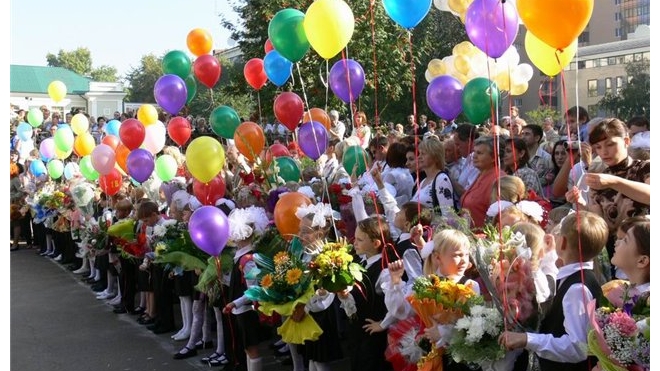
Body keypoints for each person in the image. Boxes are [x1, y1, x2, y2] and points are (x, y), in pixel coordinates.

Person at [499, 211, 608, 371]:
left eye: (557, 233)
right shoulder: (575, 277)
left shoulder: (577, 288)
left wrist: (527, 339)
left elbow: (577, 348)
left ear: (562, 242)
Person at [566, 118, 650, 276]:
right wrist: (581, 203)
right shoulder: (599, 178)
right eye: (598, 147)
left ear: (626, 141)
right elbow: (600, 224)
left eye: (610, 144)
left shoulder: (645, 167)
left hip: (647, 249)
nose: (604, 152)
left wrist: (615, 182)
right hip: (618, 252)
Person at [337, 215, 394, 371]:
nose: (354, 242)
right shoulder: (362, 263)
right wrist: (343, 295)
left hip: (372, 338)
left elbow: (395, 301)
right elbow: (356, 301)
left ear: (376, 243)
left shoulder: (383, 271)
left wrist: (383, 323)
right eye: (355, 238)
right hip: (358, 333)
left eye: (360, 240)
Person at [460, 136, 505, 229]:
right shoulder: (481, 173)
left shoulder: (498, 179)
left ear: (494, 157)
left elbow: (498, 216)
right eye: (474, 152)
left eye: (479, 153)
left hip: (484, 238)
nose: (474, 156)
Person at [410, 138, 455, 212]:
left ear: (435, 157)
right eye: (419, 153)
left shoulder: (441, 179)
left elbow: (448, 214)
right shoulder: (423, 181)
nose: (419, 157)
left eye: (423, 154)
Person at [610, 216, 649, 289]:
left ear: (642, 261)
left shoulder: (646, 299)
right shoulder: (622, 291)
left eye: (625, 240)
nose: (616, 243)